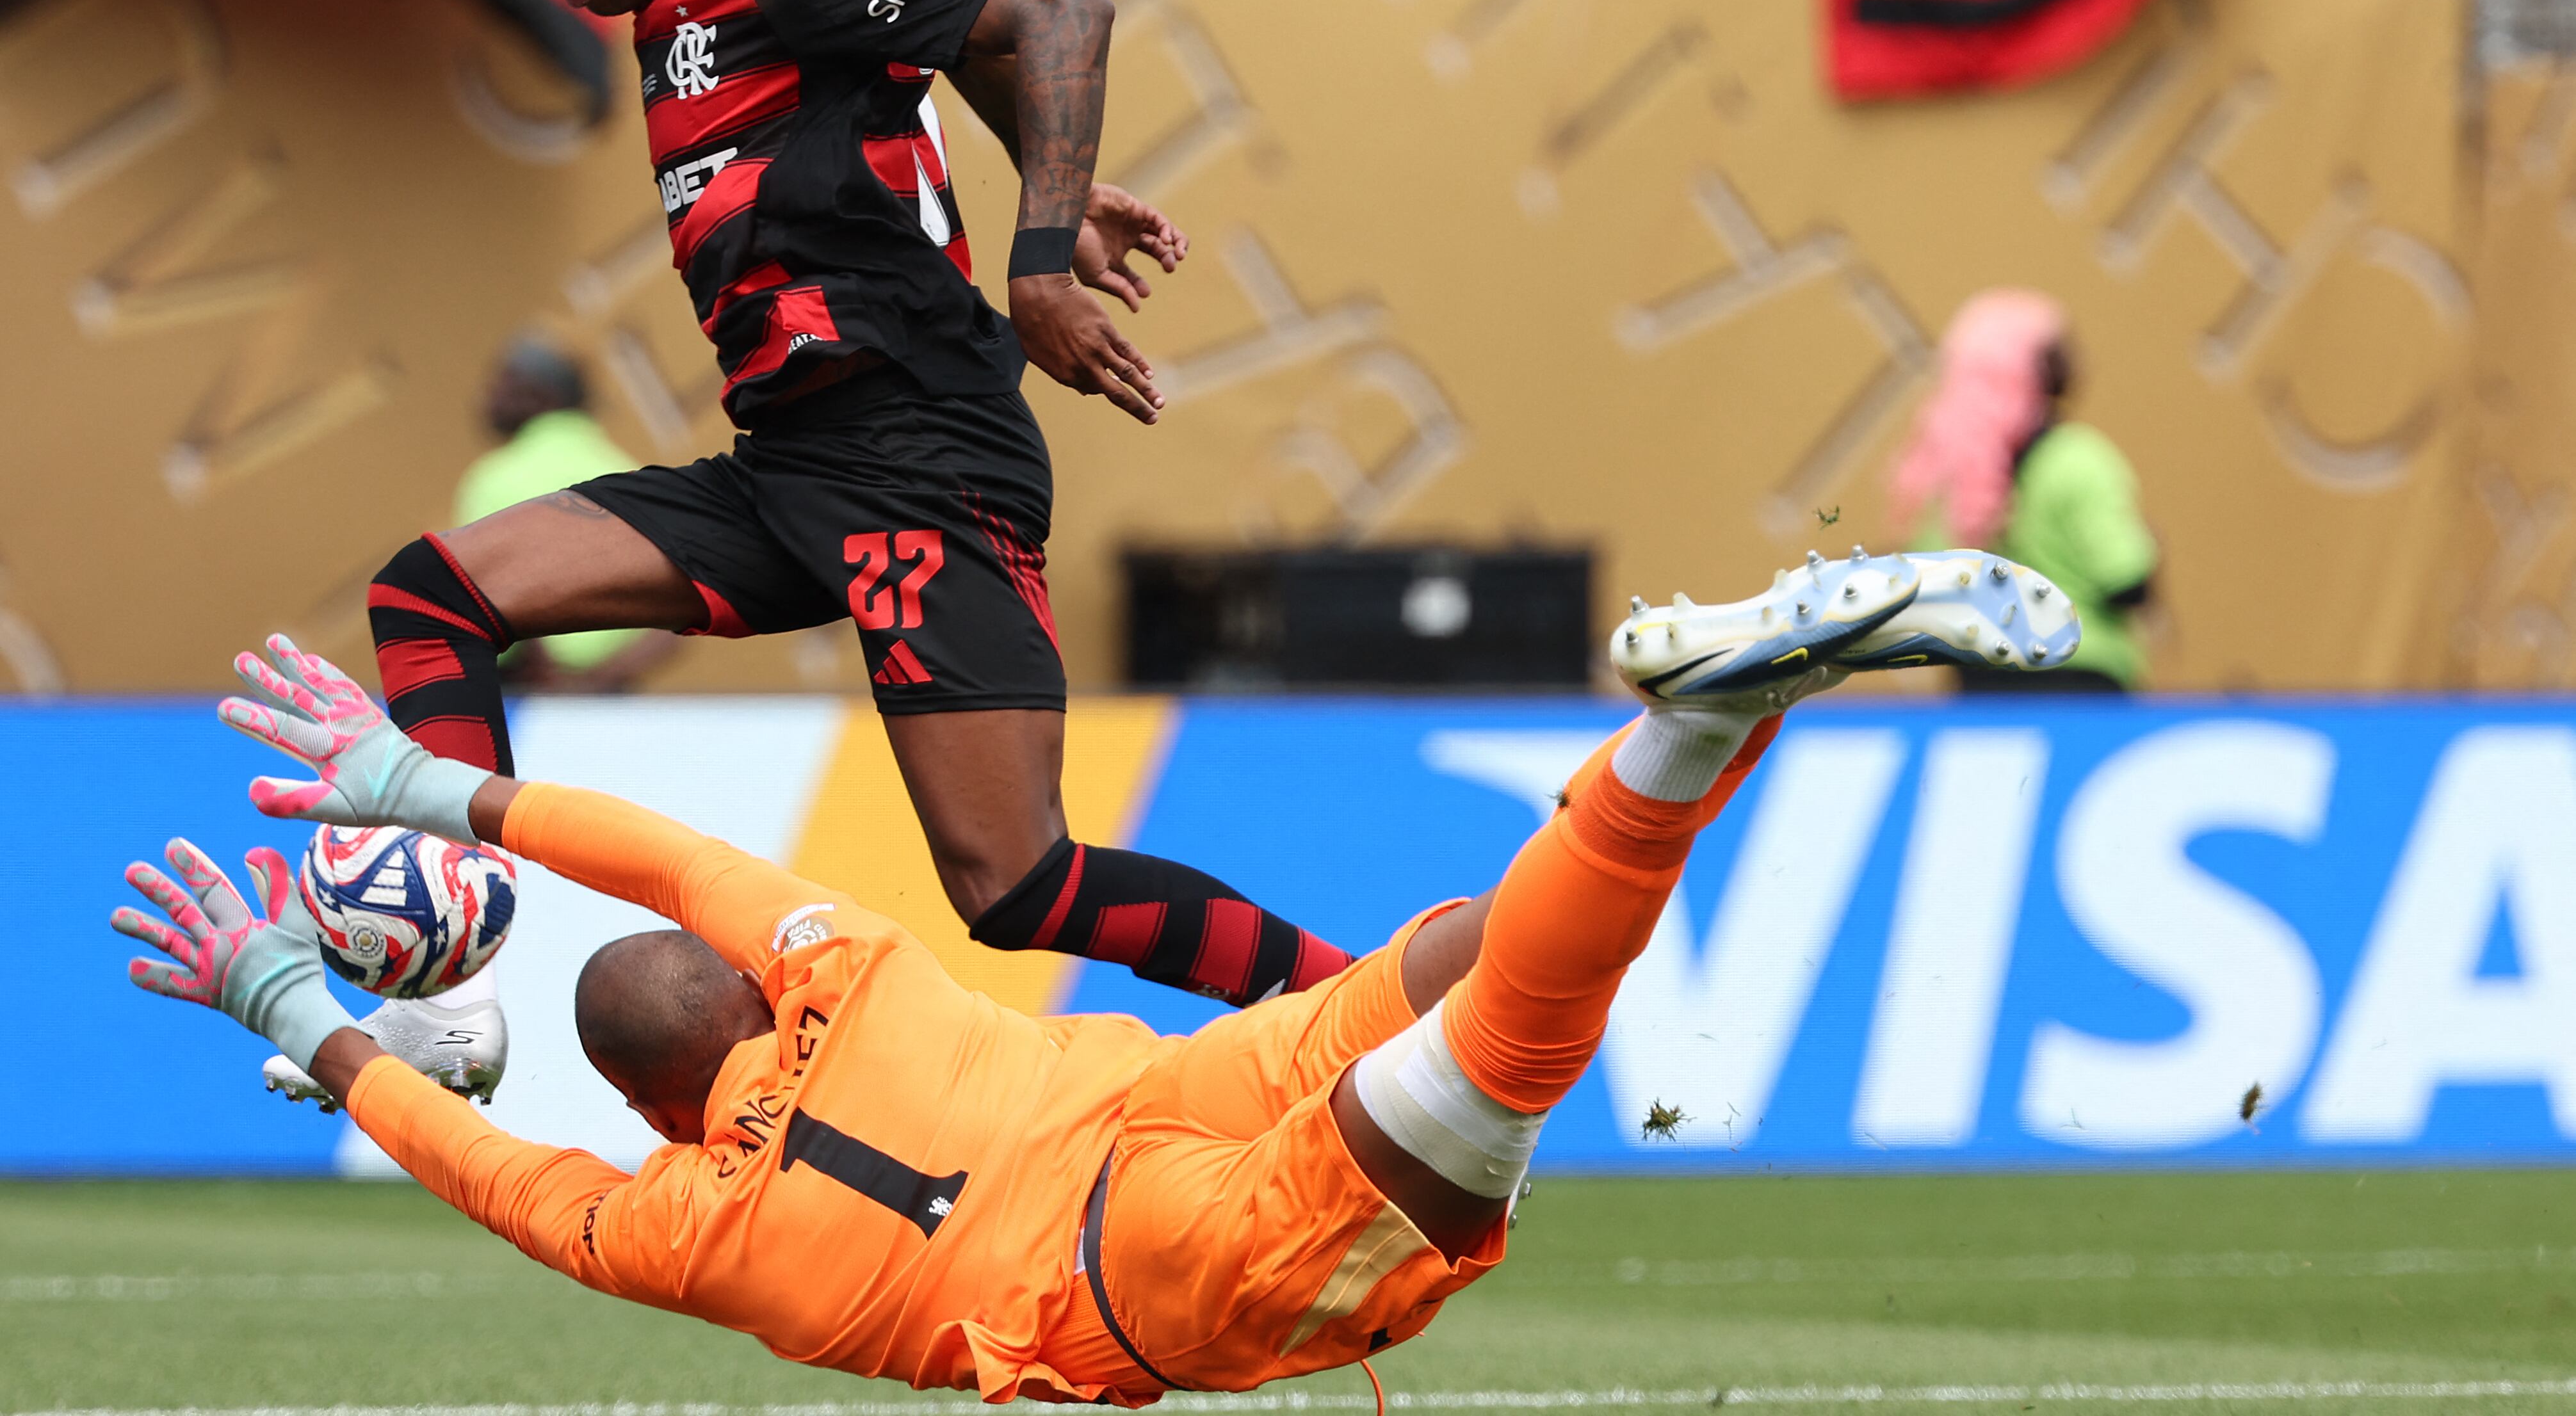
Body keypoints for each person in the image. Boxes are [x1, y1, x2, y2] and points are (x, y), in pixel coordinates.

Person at [123, 550, 2059, 1401]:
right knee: (1466, 954)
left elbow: (500, 1181)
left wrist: (307, 1015)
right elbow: (679, 864)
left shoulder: (674, 1232)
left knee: (1499, 1058)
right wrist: (435, 785)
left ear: (642, 1105)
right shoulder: (838, 969)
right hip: (1145, 1105)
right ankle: (1671, 747)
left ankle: (1708, 728)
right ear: (734, 994)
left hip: (1122, 1282)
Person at [334, 0, 1361, 1102]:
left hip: (921, 460)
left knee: (1015, 885)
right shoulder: (687, 0)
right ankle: (456, 1000)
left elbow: (1055, 13)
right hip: (787, 466)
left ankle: (1359, 1009)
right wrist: (1041, 164)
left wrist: (1044, 248)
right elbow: (948, 52)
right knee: (431, 598)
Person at [1886, 289, 2157, 695]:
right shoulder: (2079, 458)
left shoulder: (1949, 475)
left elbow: (1927, 591)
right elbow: (2126, 581)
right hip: (2082, 682)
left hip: (1981, 688)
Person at [456, 335, 678, 696]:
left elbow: (494, 601)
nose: (488, 394)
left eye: (504, 382)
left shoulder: (493, 477)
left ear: (541, 396)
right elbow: (680, 605)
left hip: (540, 693)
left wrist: (556, 683)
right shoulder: (625, 470)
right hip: (618, 688)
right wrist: (605, 678)